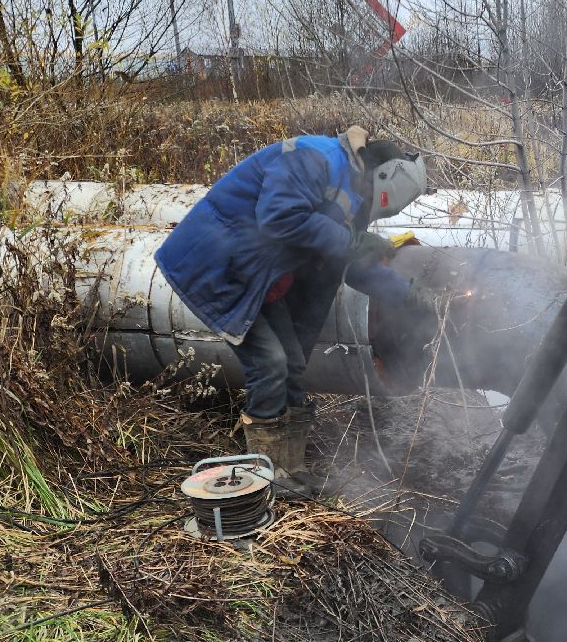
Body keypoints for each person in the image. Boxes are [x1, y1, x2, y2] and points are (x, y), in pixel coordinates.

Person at [155, 125, 426, 489]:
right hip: (220, 265)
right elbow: (279, 216)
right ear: (381, 175)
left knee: (294, 361)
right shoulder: (314, 158)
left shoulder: (354, 189)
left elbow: (349, 261)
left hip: (260, 276)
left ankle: (290, 469)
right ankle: (266, 477)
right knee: (270, 362)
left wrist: (405, 296)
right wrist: (351, 240)